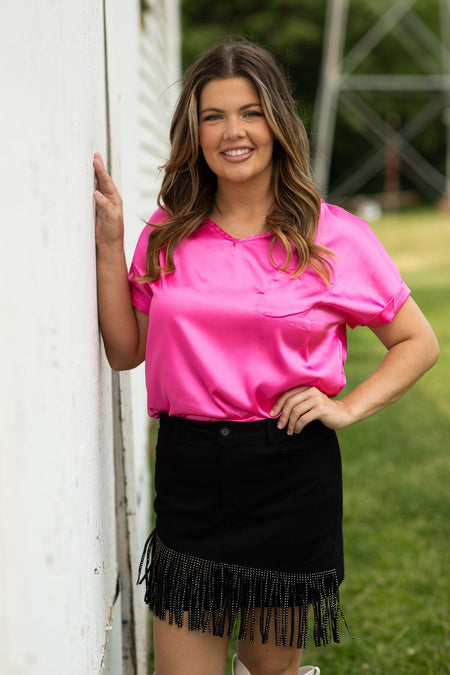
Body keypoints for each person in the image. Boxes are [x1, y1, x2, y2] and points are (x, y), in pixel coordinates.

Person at [93, 38, 439, 675]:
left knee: (269, 670)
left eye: (250, 112)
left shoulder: (330, 234)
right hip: (190, 471)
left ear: (277, 122)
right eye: (214, 116)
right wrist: (112, 242)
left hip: (286, 470)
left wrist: (346, 406)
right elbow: (123, 352)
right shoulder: (168, 232)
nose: (234, 132)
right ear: (194, 133)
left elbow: (418, 342)